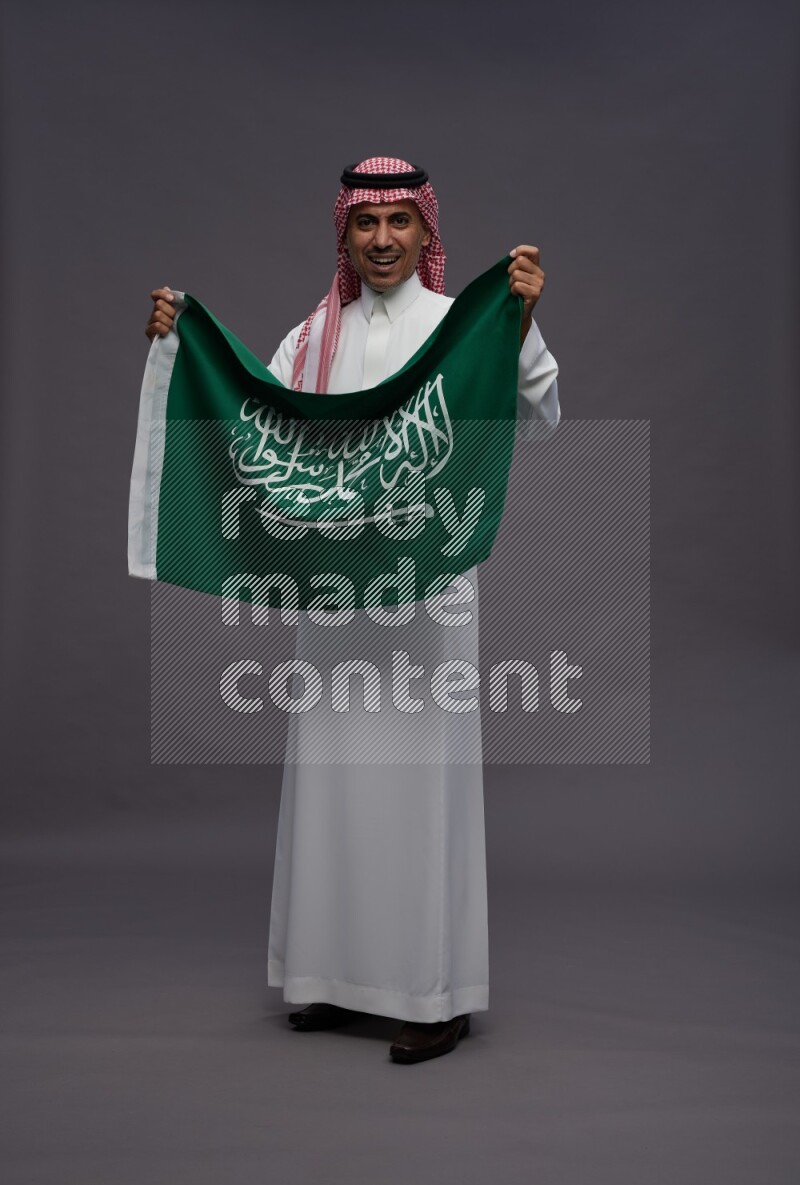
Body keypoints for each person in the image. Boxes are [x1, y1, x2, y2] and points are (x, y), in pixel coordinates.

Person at [145, 157, 560, 1064]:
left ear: (426, 232)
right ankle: (330, 978)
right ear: (344, 233)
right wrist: (182, 350)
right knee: (332, 783)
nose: (382, 239)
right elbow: (252, 424)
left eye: (398, 222)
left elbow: (538, 417)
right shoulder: (312, 338)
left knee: (420, 789)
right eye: (365, 223)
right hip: (335, 597)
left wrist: (520, 326)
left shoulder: (461, 326)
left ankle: (433, 993)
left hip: (428, 595)